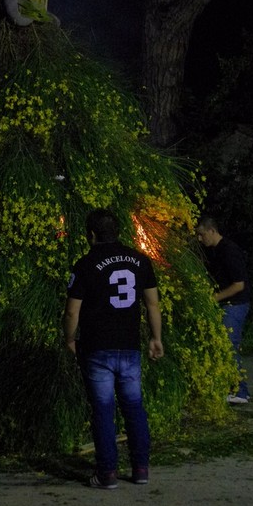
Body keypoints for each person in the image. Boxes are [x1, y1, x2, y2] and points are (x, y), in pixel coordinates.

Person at [63, 208, 163, 489]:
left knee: (104, 410)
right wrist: (156, 338)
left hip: (97, 348)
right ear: (117, 232)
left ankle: (107, 473)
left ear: (91, 234)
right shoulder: (140, 260)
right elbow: (152, 304)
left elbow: (72, 312)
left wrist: (69, 338)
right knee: (134, 407)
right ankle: (141, 469)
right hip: (129, 346)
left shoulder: (85, 264)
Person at [196, 215, 250, 404]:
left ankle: (240, 392)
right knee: (226, 346)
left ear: (212, 231)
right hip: (228, 305)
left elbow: (238, 285)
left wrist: (214, 298)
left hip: (235, 305)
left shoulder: (228, 250)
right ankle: (239, 389)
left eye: (202, 235)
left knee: (229, 347)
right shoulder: (216, 251)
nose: (200, 239)